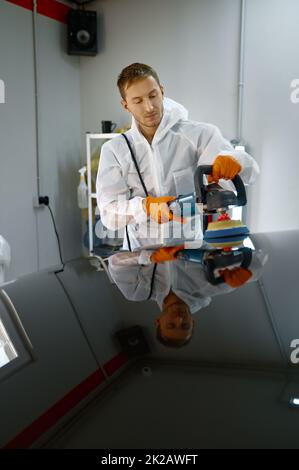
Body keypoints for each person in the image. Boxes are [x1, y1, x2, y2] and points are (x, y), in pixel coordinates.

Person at [96, 63, 259, 251]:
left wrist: (235, 162)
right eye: (138, 101)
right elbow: (109, 215)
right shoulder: (114, 150)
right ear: (125, 105)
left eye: (152, 95)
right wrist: (145, 207)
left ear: (162, 91)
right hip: (141, 258)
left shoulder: (198, 135)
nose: (149, 107)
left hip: (191, 253)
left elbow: (250, 174)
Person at [108, 244, 267, 348]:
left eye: (171, 325)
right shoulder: (209, 287)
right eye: (185, 326)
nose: (179, 319)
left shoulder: (137, 292)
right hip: (190, 221)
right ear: (193, 322)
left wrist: (151, 257)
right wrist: (249, 273)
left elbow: (115, 263)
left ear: (158, 321)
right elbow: (257, 262)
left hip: (151, 226)